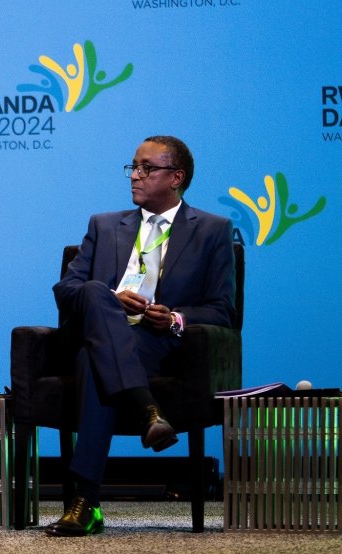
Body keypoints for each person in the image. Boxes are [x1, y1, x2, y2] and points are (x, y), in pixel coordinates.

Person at [46, 136, 235, 537]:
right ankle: (148, 410)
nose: (135, 175)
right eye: (133, 166)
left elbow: (223, 309)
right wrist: (112, 299)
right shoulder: (103, 224)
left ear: (176, 178)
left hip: (155, 341)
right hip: (101, 329)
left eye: (147, 168)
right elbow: (65, 289)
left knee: (92, 360)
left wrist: (175, 318)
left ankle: (86, 502)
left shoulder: (213, 230)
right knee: (96, 293)